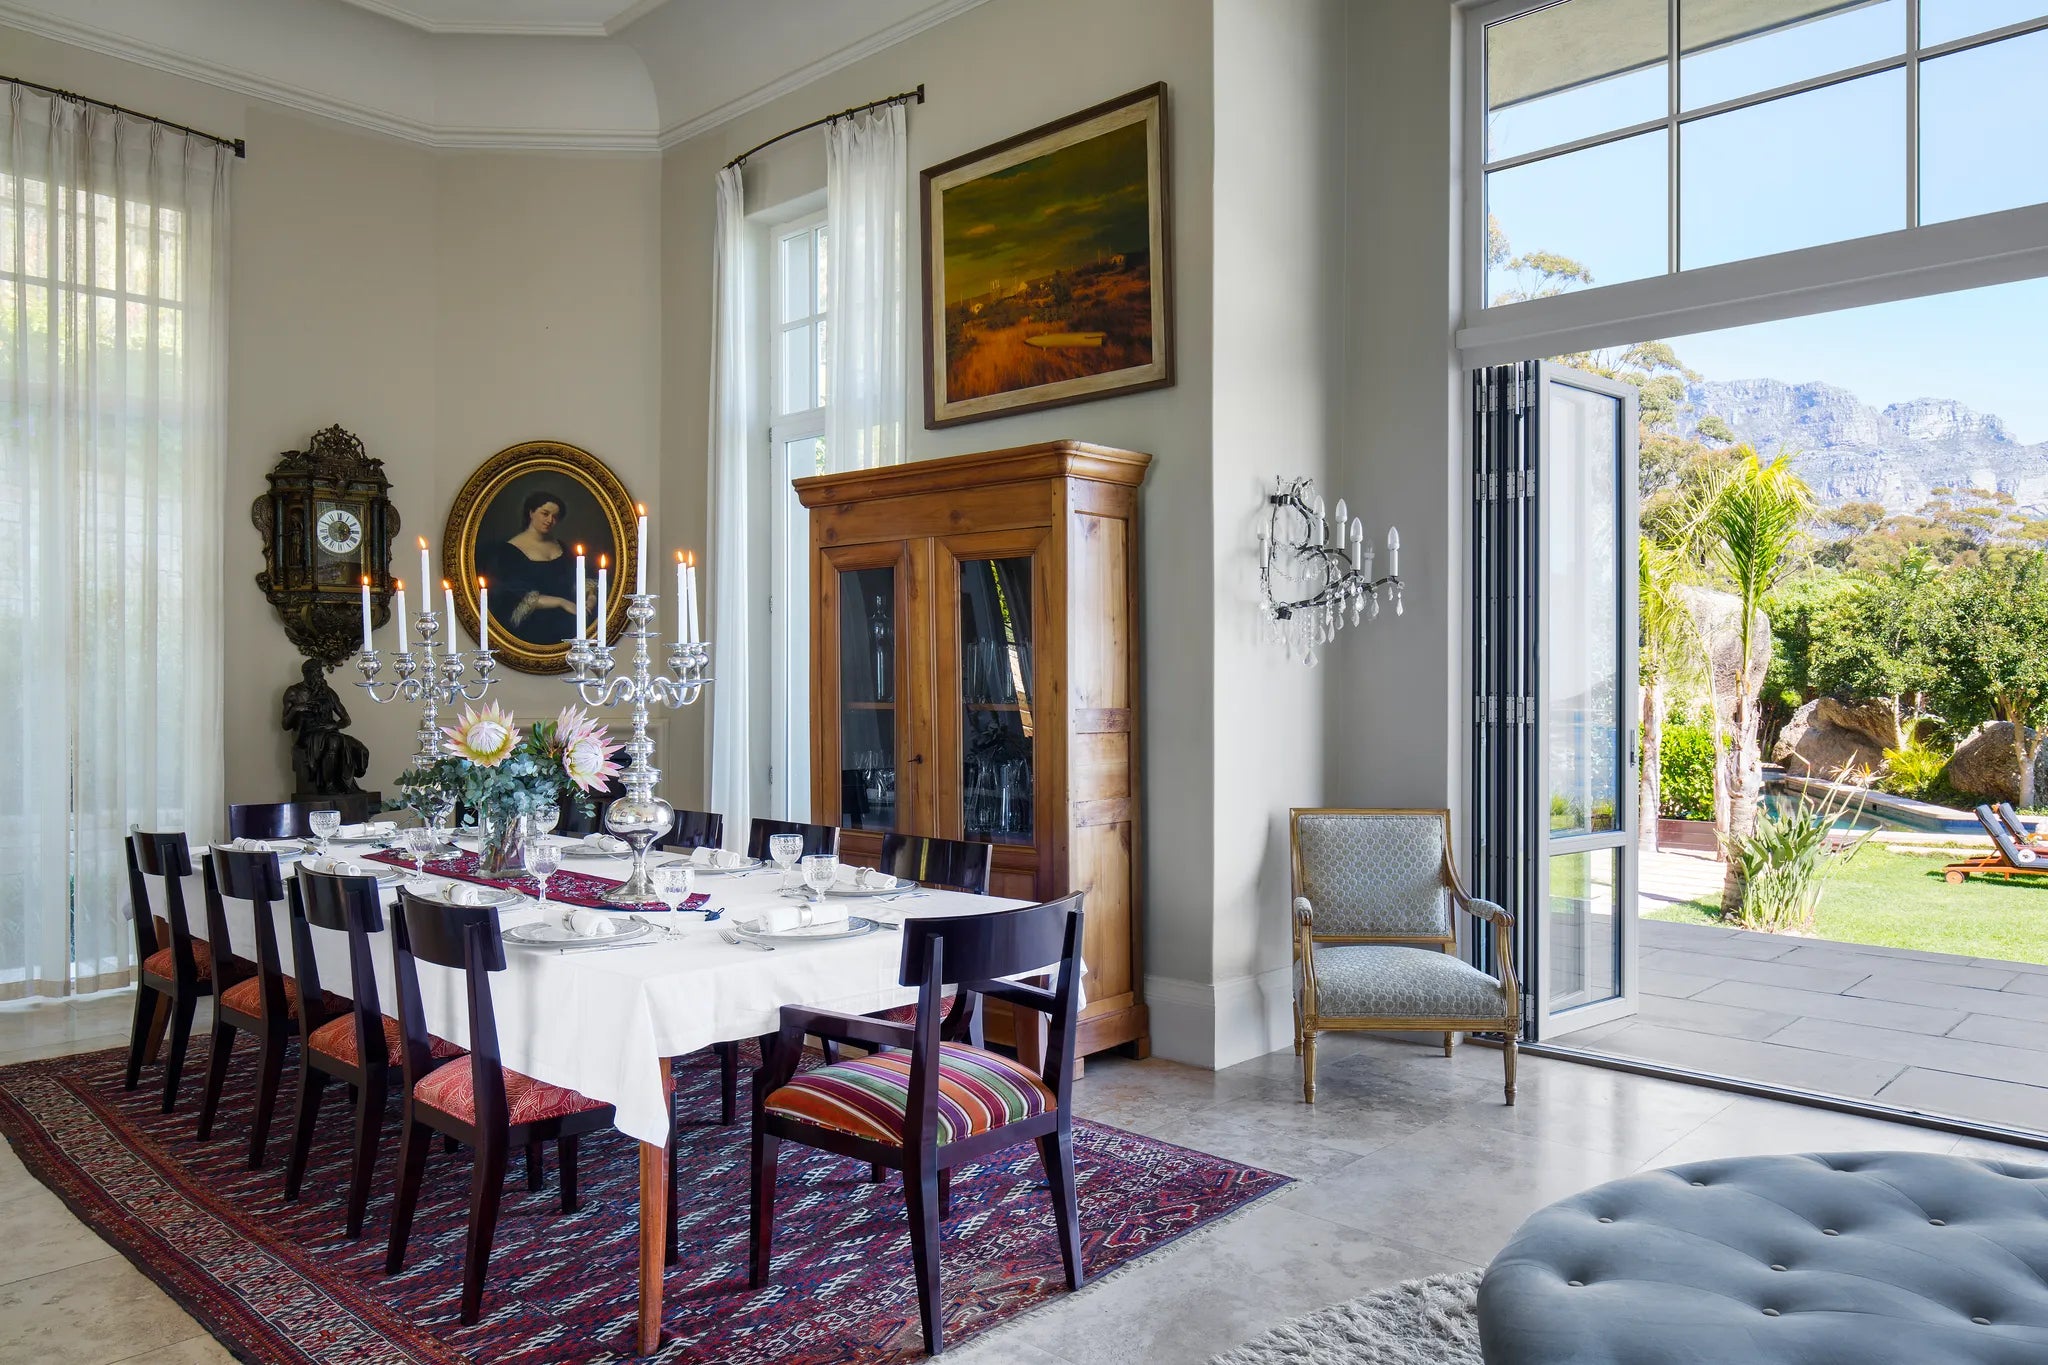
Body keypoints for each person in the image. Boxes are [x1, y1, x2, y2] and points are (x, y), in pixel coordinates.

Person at [479, 489, 596, 646]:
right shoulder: (509, 551)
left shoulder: (561, 546)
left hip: (570, 624)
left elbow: (579, 577)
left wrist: (591, 596)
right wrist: (561, 602)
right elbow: (512, 595)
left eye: (555, 517)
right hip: (533, 628)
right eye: (545, 514)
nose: (550, 520)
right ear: (531, 513)